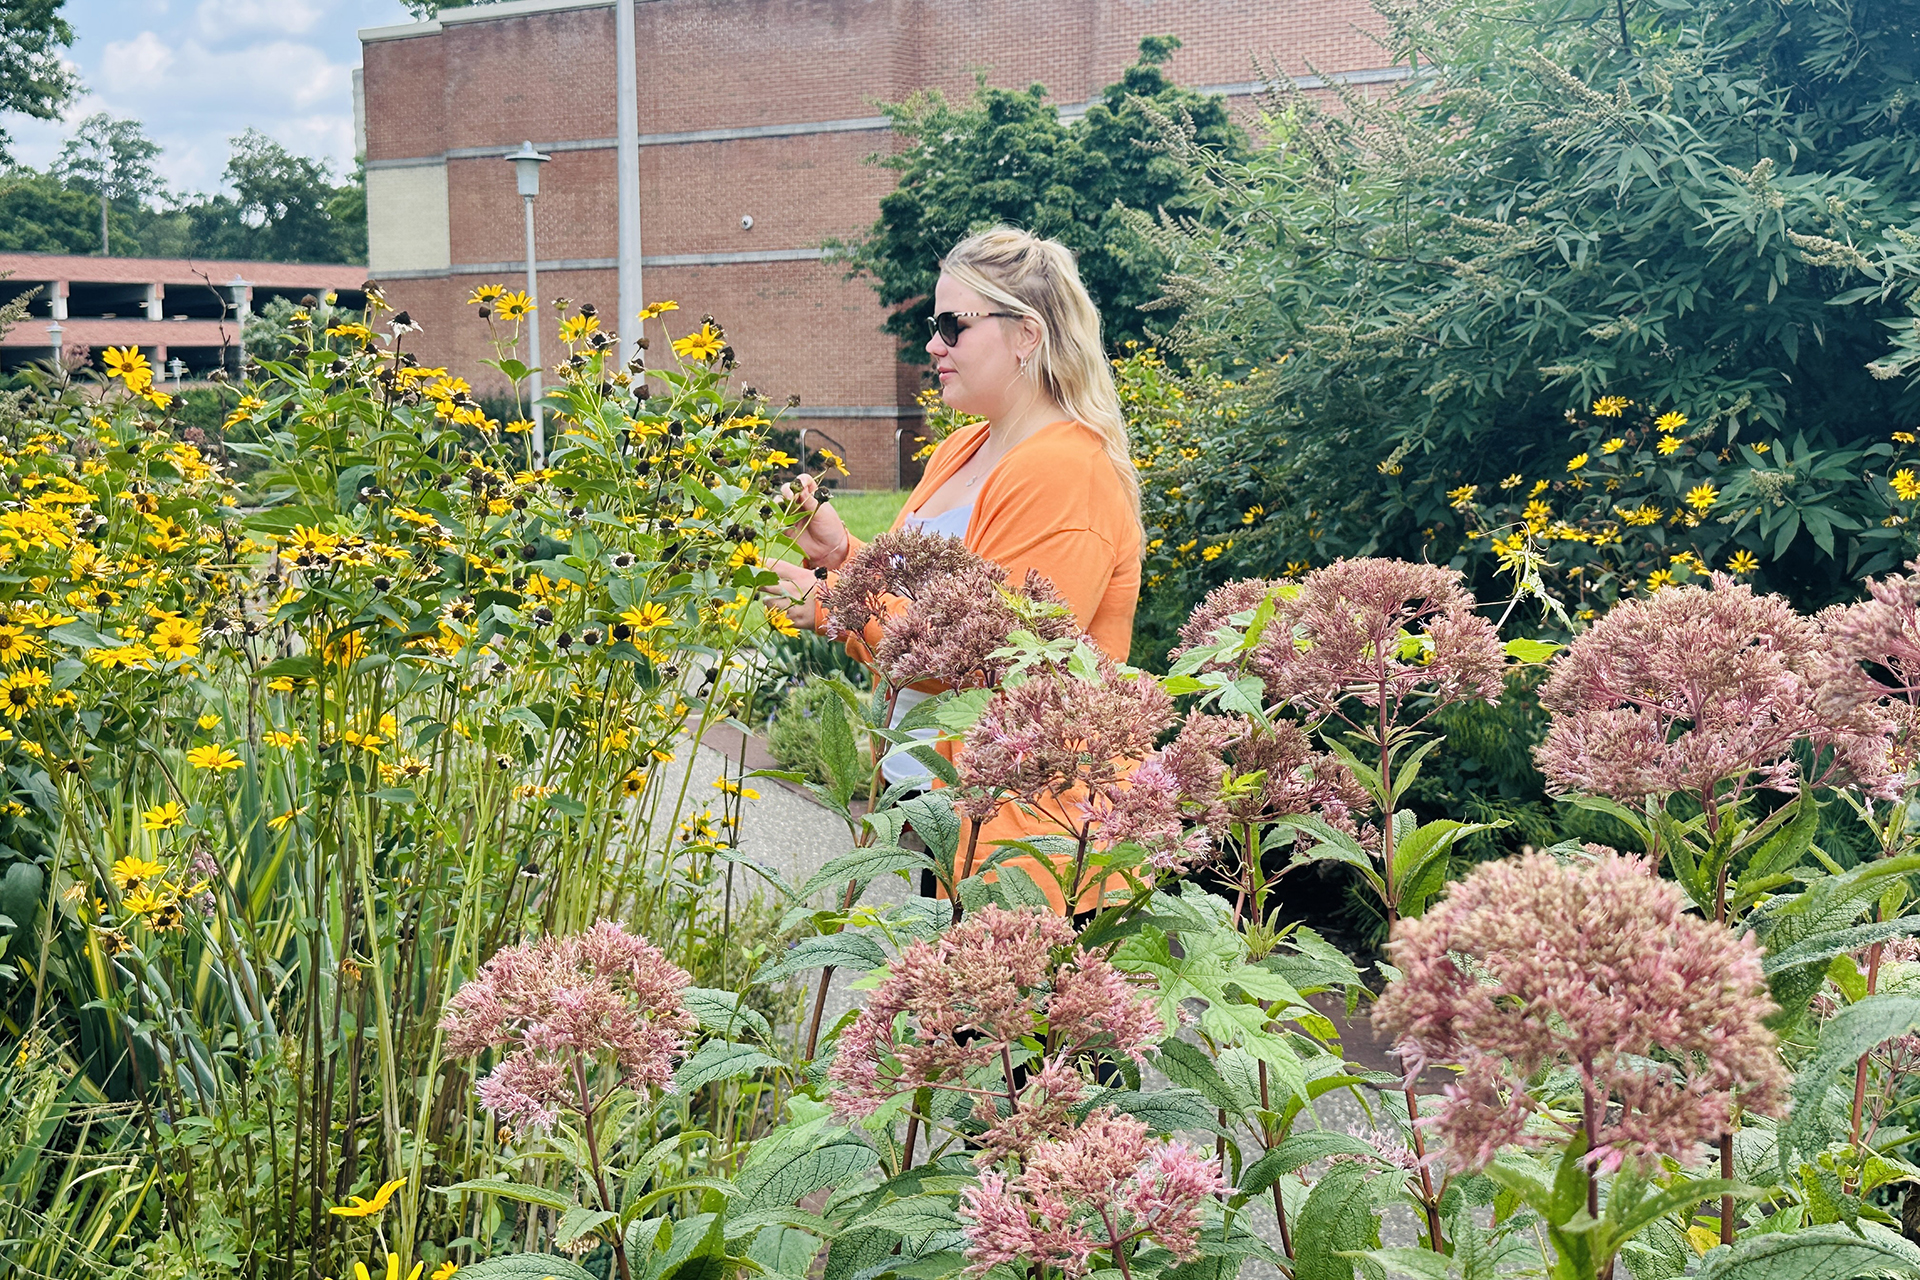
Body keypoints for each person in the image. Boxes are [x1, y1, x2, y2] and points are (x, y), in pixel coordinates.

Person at [765, 226, 1142, 913]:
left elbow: (987, 656)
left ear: (1026, 334)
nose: (933, 344)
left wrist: (829, 603)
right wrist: (841, 555)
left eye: (952, 325)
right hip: (954, 820)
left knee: (993, 1021)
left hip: (1033, 845)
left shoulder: (1065, 469)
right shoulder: (964, 450)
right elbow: (926, 600)